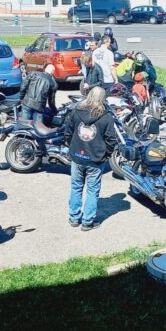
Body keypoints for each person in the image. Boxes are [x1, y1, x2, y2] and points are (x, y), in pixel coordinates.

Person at [61, 86, 119, 231]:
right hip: (95, 159)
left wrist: (72, 147)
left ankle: (74, 218)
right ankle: (87, 221)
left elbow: (68, 132)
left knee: (76, 187)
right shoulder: (106, 117)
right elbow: (111, 140)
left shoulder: (76, 112)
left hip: (77, 157)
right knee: (92, 191)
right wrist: (106, 154)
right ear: (103, 99)